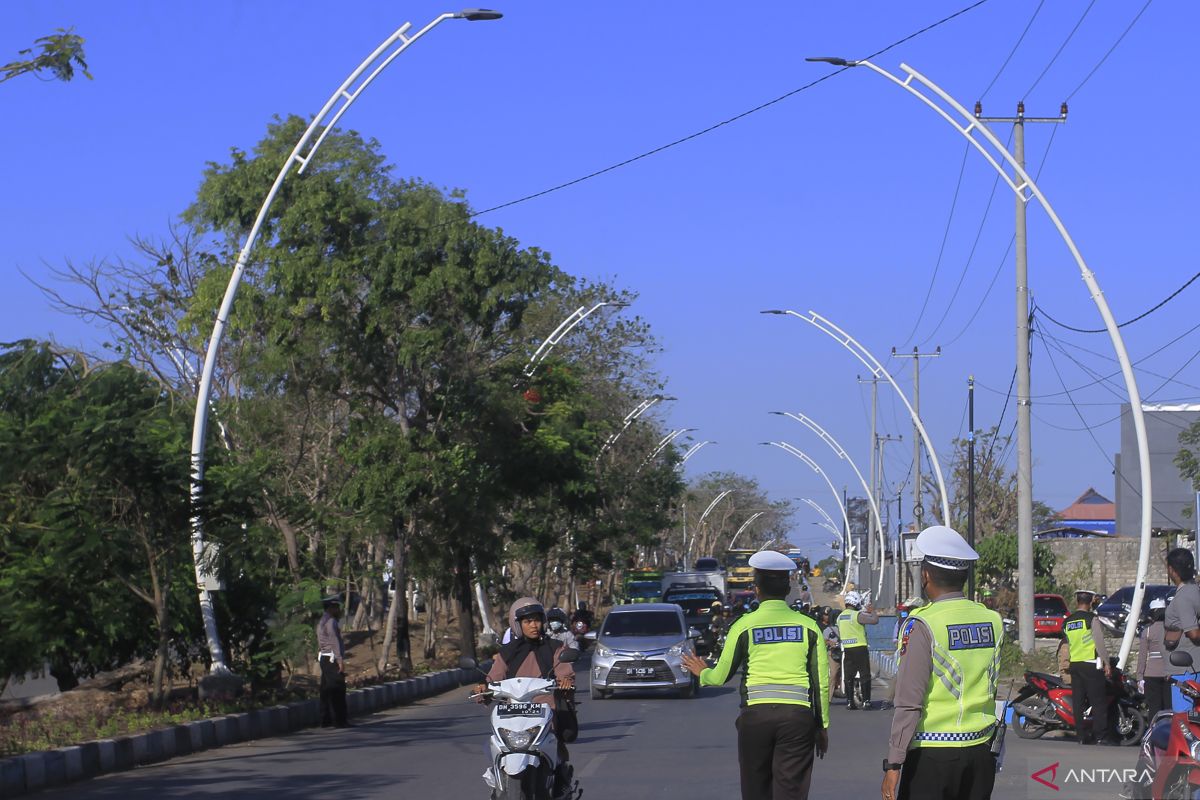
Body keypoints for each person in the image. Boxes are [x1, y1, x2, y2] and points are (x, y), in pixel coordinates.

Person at [681, 550, 830, 800]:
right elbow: (820, 682)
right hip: (797, 720)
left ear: (756, 589)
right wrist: (822, 726)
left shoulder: (743, 626)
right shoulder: (809, 626)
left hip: (755, 719)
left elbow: (720, 677)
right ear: (787, 588)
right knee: (791, 791)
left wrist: (702, 672)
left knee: (755, 790)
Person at [881, 525, 1003, 800]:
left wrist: (894, 762)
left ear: (926, 575)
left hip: (933, 754)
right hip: (981, 751)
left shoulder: (923, 624)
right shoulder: (992, 620)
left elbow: (909, 701)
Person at [475, 598, 576, 791]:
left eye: (537, 620)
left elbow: (565, 671)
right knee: (492, 744)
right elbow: (494, 676)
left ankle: (561, 783)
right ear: (517, 624)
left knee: (559, 750)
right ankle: (498, 782)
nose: (533, 625)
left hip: (546, 711)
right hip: (512, 713)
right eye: (527, 621)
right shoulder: (507, 652)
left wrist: (565, 681)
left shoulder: (555, 648)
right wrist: (482, 688)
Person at [1063, 589, 1113, 745]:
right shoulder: (1092, 619)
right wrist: (1106, 662)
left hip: (1075, 665)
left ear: (1077, 600)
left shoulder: (1068, 621)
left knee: (1078, 702)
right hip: (1091, 664)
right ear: (1091, 601)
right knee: (1098, 702)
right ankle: (1100, 736)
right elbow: (1099, 642)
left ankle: (1081, 736)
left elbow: (1067, 643)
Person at [1164, 548, 1200, 711]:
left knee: (1184, 721)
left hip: (1186, 670)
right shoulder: (1195, 590)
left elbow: (1193, 633)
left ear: (1172, 570)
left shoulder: (1184, 597)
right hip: (1190, 667)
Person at [838, 590, 879, 709]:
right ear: (855, 602)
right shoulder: (857, 615)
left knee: (848, 676)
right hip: (860, 648)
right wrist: (872, 611)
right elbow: (874, 620)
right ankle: (866, 701)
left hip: (847, 649)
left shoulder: (840, 617)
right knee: (864, 674)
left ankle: (850, 702)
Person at [317, 595, 350, 728]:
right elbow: (334, 642)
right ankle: (340, 720)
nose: (338, 610)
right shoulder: (331, 622)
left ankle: (325, 720)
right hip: (331, 659)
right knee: (338, 688)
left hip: (324, 658)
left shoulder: (322, 621)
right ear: (330, 608)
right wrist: (340, 660)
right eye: (336, 607)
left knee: (326, 690)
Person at [1137, 597, 1170, 719]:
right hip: (1168, 673)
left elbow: (1142, 656)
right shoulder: (1172, 629)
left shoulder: (1147, 631)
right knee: (1169, 708)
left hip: (1151, 674)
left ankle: (1153, 733)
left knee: (1154, 709)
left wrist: (1139, 676)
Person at [821, 606, 843, 700]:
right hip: (834, 654)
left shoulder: (845, 628)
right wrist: (831, 643)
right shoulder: (828, 630)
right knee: (833, 674)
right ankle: (828, 698)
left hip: (845, 653)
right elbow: (824, 641)